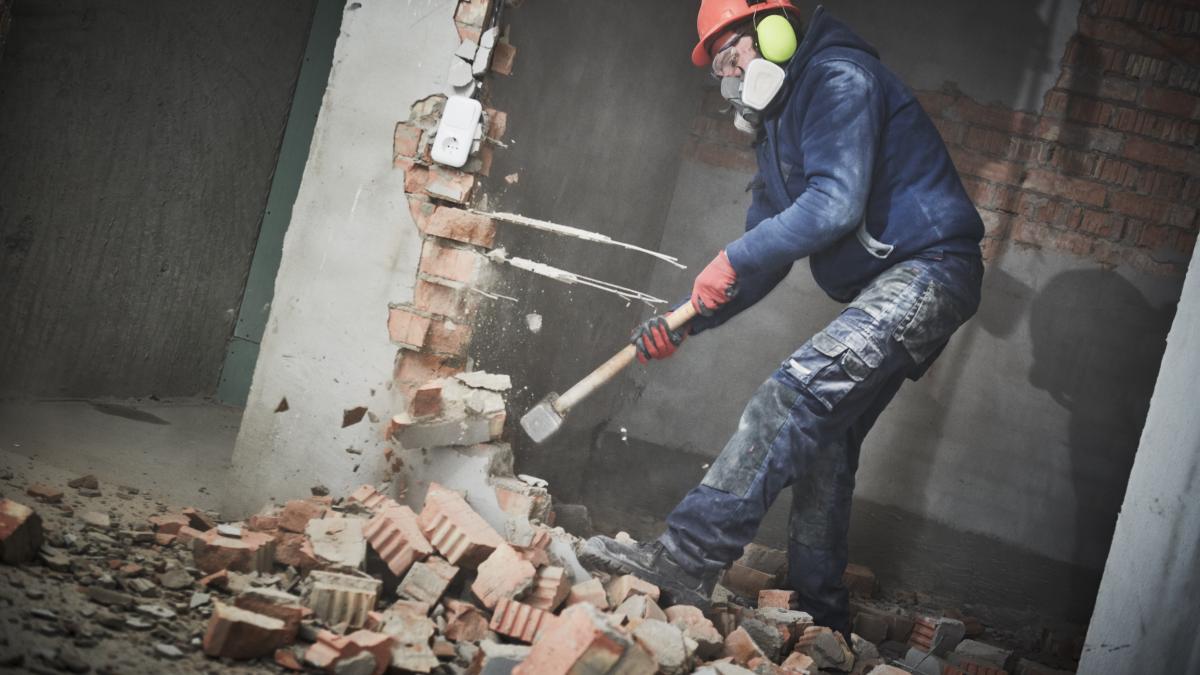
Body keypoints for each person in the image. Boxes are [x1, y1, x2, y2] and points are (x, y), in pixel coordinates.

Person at [582, 0, 985, 639]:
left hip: (929, 270)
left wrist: (733, 256)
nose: (732, 78)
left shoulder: (838, 79)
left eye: (733, 55)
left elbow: (832, 205)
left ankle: (685, 558)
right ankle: (820, 620)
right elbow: (762, 260)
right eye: (720, 70)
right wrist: (687, 324)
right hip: (895, 281)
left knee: (793, 392)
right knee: (823, 444)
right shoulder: (777, 132)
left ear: (775, 32)